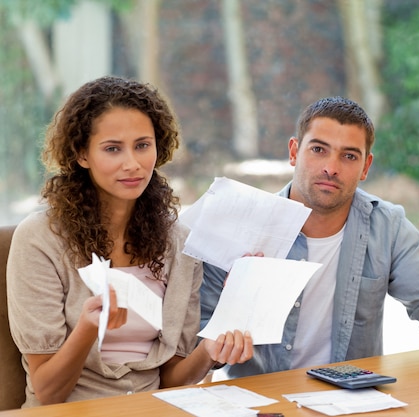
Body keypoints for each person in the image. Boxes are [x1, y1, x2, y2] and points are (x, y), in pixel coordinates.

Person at [7, 76, 253, 407]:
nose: (132, 164)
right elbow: (48, 393)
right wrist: (88, 328)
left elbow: (170, 380)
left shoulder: (178, 243)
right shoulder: (40, 240)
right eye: (112, 149)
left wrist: (209, 350)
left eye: (142, 145)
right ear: (82, 154)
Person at [201, 96, 419, 379]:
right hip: (260, 403)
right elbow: (192, 352)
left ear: (365, 167)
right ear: (294, 152)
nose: (331, 167)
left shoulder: (388, 228)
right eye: (318, 150)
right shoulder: (240, 226)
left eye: (349, 156)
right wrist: (234, 311)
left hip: (351, 404)